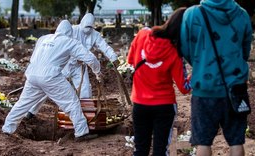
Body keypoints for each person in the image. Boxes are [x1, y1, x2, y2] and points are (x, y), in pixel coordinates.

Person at [2, 20, 102, 140]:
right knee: (72, 102)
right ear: (70, 33)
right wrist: (97, 72)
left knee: (22, 104)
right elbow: (90, 58)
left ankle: (7, 129)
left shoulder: (43, 39)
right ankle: (82, 132)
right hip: (51, 76)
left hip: (32, 75)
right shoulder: (70, 42)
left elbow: (34, 57)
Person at [180, 0, 252, 155]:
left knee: (203, 143)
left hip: (204, 89)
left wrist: (201, 65)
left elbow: (185, 49)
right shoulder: (242, 14)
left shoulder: (192, 14)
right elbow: (245, 52)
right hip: (236, 89)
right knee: (236, 142)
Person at [25, 13, 119, 119]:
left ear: (93, 26)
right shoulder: (72, 30)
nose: (88, 29)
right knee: (47, 86)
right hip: (65, 64)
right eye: (86, 26)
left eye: (90, 27)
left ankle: (86, 115)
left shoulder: (95, 35)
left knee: (85, 89)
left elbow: (104, 47)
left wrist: (114, 58)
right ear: (81, 24)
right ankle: (31, 111)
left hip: (79, 67)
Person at [128, 8, 191, 156]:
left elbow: (130, 60)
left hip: (139, 104)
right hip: (164, 106)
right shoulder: (175, 52)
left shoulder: (142, 35)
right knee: (160, 151)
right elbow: (184, 88)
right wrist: (196, 74)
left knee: (140, 150)